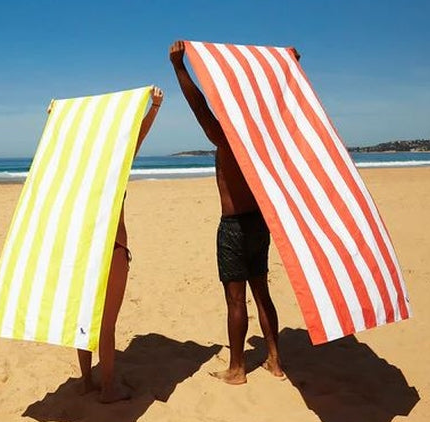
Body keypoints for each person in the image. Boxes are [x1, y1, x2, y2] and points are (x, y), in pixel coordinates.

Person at [169, 41, 286, 385]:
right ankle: (275, 361)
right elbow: (277, 105)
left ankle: (237, 369)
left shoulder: (226, 138)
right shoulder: (261, 137)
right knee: (262, 292)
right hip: (259, 223)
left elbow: (198, 105)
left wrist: (179, 67)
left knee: (236, 300)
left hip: (234, 227)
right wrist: (287, 69)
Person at [76, 86, 164, 403]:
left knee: (84, 318)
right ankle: (109, 387)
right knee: (107, 322)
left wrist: (56, 120)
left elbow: (58, 149)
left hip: (83, 250)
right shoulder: (114, 166)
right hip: (112, 249)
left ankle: (87, 379)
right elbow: (137, 138)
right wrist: (153, 107)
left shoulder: (76, 169)